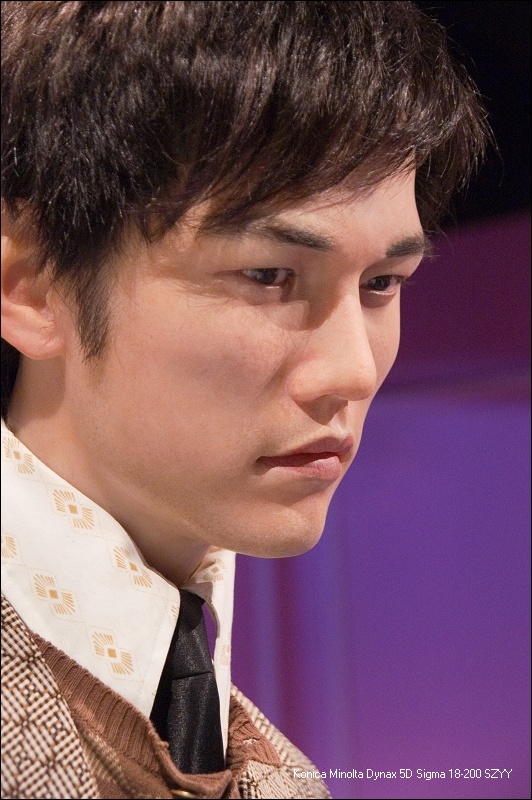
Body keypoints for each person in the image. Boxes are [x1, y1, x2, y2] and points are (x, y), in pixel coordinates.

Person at [1, 2, 490, 798]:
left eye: (381, 283)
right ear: (30, 287)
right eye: (268, 276)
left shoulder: (288, 778)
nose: (353, 371)